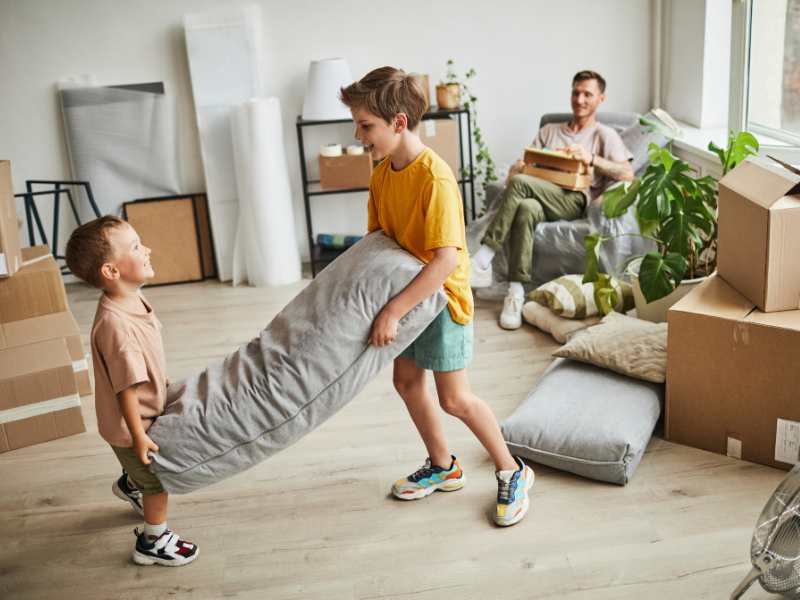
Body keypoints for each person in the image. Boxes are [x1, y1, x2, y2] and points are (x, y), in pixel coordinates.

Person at [340, 66, 534, 527]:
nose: (359, 136)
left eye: (366, 126)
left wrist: (392, 310)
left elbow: (446, 260)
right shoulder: (383, 174)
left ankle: (513, 470)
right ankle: (444, 465)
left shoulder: (435, 178)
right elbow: (379, 242)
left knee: (455, 399)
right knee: (407, 383)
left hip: (442, 301)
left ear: (399, 122)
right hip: (409, 297)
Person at [65, 216, 199, 566]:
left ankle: (129, 484)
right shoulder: (117, 327)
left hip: (140, 412)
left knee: (140, 473)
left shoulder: (131, 300)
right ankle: (152, 542)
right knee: (156, 481)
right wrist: (139, 436)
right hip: (130, 426)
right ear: (111, 271)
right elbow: (126, 389)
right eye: (137, 247)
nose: (147, 249)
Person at [470, 70, 634, 330]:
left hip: (573, 200)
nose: (579, 99)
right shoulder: (549, 131)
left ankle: (483, 258)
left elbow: (627, 173)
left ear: (600, 99)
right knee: (525, 207)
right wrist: (518, 168)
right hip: (536, 193)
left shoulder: (605, 135)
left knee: (522, 186)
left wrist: (590, 158)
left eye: (587, 94)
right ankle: (515, 293)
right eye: (575, 92)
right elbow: (520, 171)